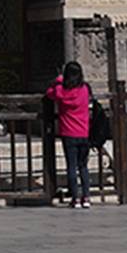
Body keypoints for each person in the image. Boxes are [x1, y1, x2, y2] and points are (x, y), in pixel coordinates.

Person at [46, 61, 93, 209]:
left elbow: (49, 92)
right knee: (83, 166)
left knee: (71, 166)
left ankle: (75, 198)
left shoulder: (61, 91)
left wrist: (59, 79)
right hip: (84, 132)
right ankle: (86, 197)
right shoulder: (85, 89)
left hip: (68, 133)